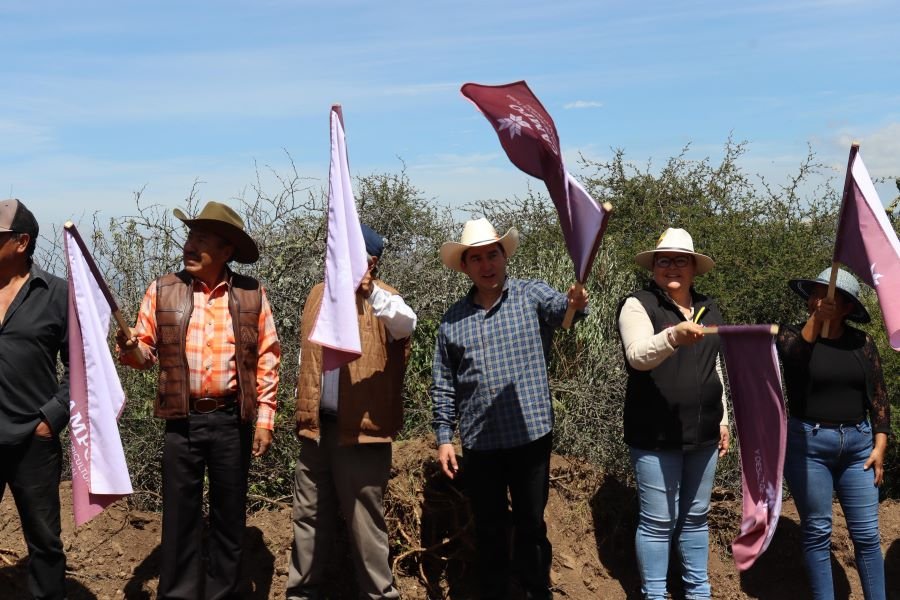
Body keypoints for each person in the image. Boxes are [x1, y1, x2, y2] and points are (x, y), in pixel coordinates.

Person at [117, 201, 281, 599]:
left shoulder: (251, 294)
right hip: (182, 421)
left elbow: (267, 357)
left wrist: (265, 419)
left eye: (202, 239)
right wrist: (131, 348)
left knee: (229, 517)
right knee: (179, 517)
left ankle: (222, 594)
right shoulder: (162, 290)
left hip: (231, 421)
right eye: (190, 236)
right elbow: (144, 356)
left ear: (226, 250)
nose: (190, 246)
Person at [431, 217, 588, 600]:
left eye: (493, 255)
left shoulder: (530, 295)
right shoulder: (452, 321)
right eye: (477, 258)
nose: (487, 265)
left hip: (530, 436)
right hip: (480, 443)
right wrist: (444, 437)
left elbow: (564, 312)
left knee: (531, 524)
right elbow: (444, 383)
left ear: (505, 257)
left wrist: (574, 302)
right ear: (465, 266)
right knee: (490, 529)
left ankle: (536, 592)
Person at [287, 224, 416, 600]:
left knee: (365, 528)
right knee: (307, 521)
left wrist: (370, 290)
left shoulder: (387, 300)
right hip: (316, 433)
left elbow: (406, 324)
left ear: (369, 262)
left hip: (362, 436)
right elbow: (307, 356)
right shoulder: (317, 294)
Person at [615, 227, 730, 600]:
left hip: (704, 432)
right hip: (655, 433)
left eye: (681, 260)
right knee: (658, 521)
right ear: (653, 268)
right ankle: (655, 594)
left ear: (694, 268)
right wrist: (673, 337)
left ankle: (699, 593)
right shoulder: (639, 304)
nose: (672, 267)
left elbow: (714, 366)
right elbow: (637, 356)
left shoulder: (709, 308)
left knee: (695, 517)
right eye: (664, 260)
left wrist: (723, 419)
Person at [777, 267, 889, 600]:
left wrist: (880, 445)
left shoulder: (862, 343)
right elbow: (795, 357)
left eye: (829, 296)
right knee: (817, 532)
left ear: (848, 307)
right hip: (808, 446)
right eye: (815, 293)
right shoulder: (790, 335)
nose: (819, 300)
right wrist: (816, 320)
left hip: (859, 447)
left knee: (867, 535)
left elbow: (878, 396)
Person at [0, 199, 70, 599]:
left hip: (33, 439)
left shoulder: (58, 294)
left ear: (21, 241)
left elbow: (81, 367)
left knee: (44, 542)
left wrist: (50, 419)